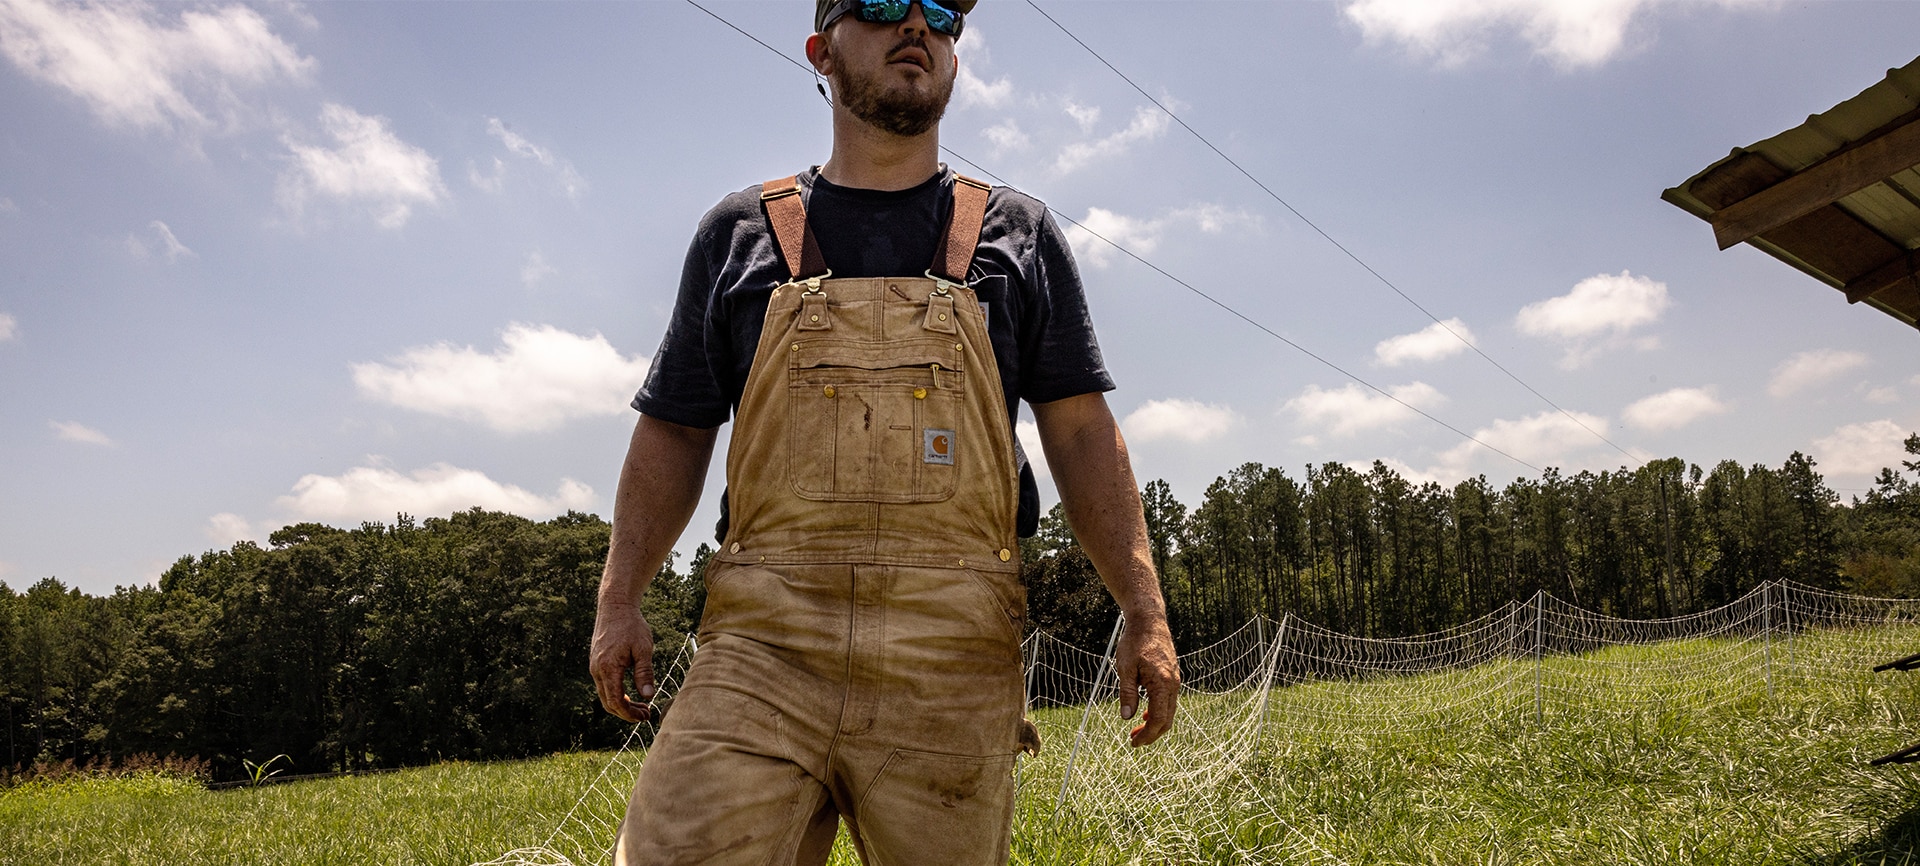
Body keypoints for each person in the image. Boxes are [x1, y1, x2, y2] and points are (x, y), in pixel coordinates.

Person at [588, 1, 1180, 862]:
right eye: (880, 5)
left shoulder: (1018, 235)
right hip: (763, 643)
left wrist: (1144, 609)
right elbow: (675, 431)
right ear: (820, 50)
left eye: (941, 13)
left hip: (952, 652)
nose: (918, 26)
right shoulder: (742, 234)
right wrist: (618, 602)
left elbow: (1083, 434)